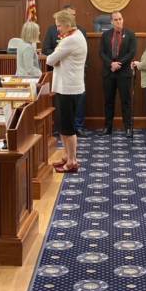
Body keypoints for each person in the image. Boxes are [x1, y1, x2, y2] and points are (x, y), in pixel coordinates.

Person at [46, 9, 87, 173]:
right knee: (64, 126)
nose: (57, 29)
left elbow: (50, 60)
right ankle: (67, 156)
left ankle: (71, 161)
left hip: (68, 89)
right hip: (68, 87)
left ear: (68, 24)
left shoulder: (70, 40)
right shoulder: (75, 36)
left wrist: (57, 58)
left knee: (68, 128)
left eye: (59, 26)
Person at [99, 11, 137, 137]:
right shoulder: (105, 35)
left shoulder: (130, 34)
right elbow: (101, 53)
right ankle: (107, 127)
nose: (119, 21)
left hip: (124, 73)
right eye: (116, 20)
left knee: (126, 101)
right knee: (108, 101)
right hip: (109, 72)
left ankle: (128, 128)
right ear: (111, 22)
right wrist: (111, 64)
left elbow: (131, 53)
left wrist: (118, 63)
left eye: (120, 19)